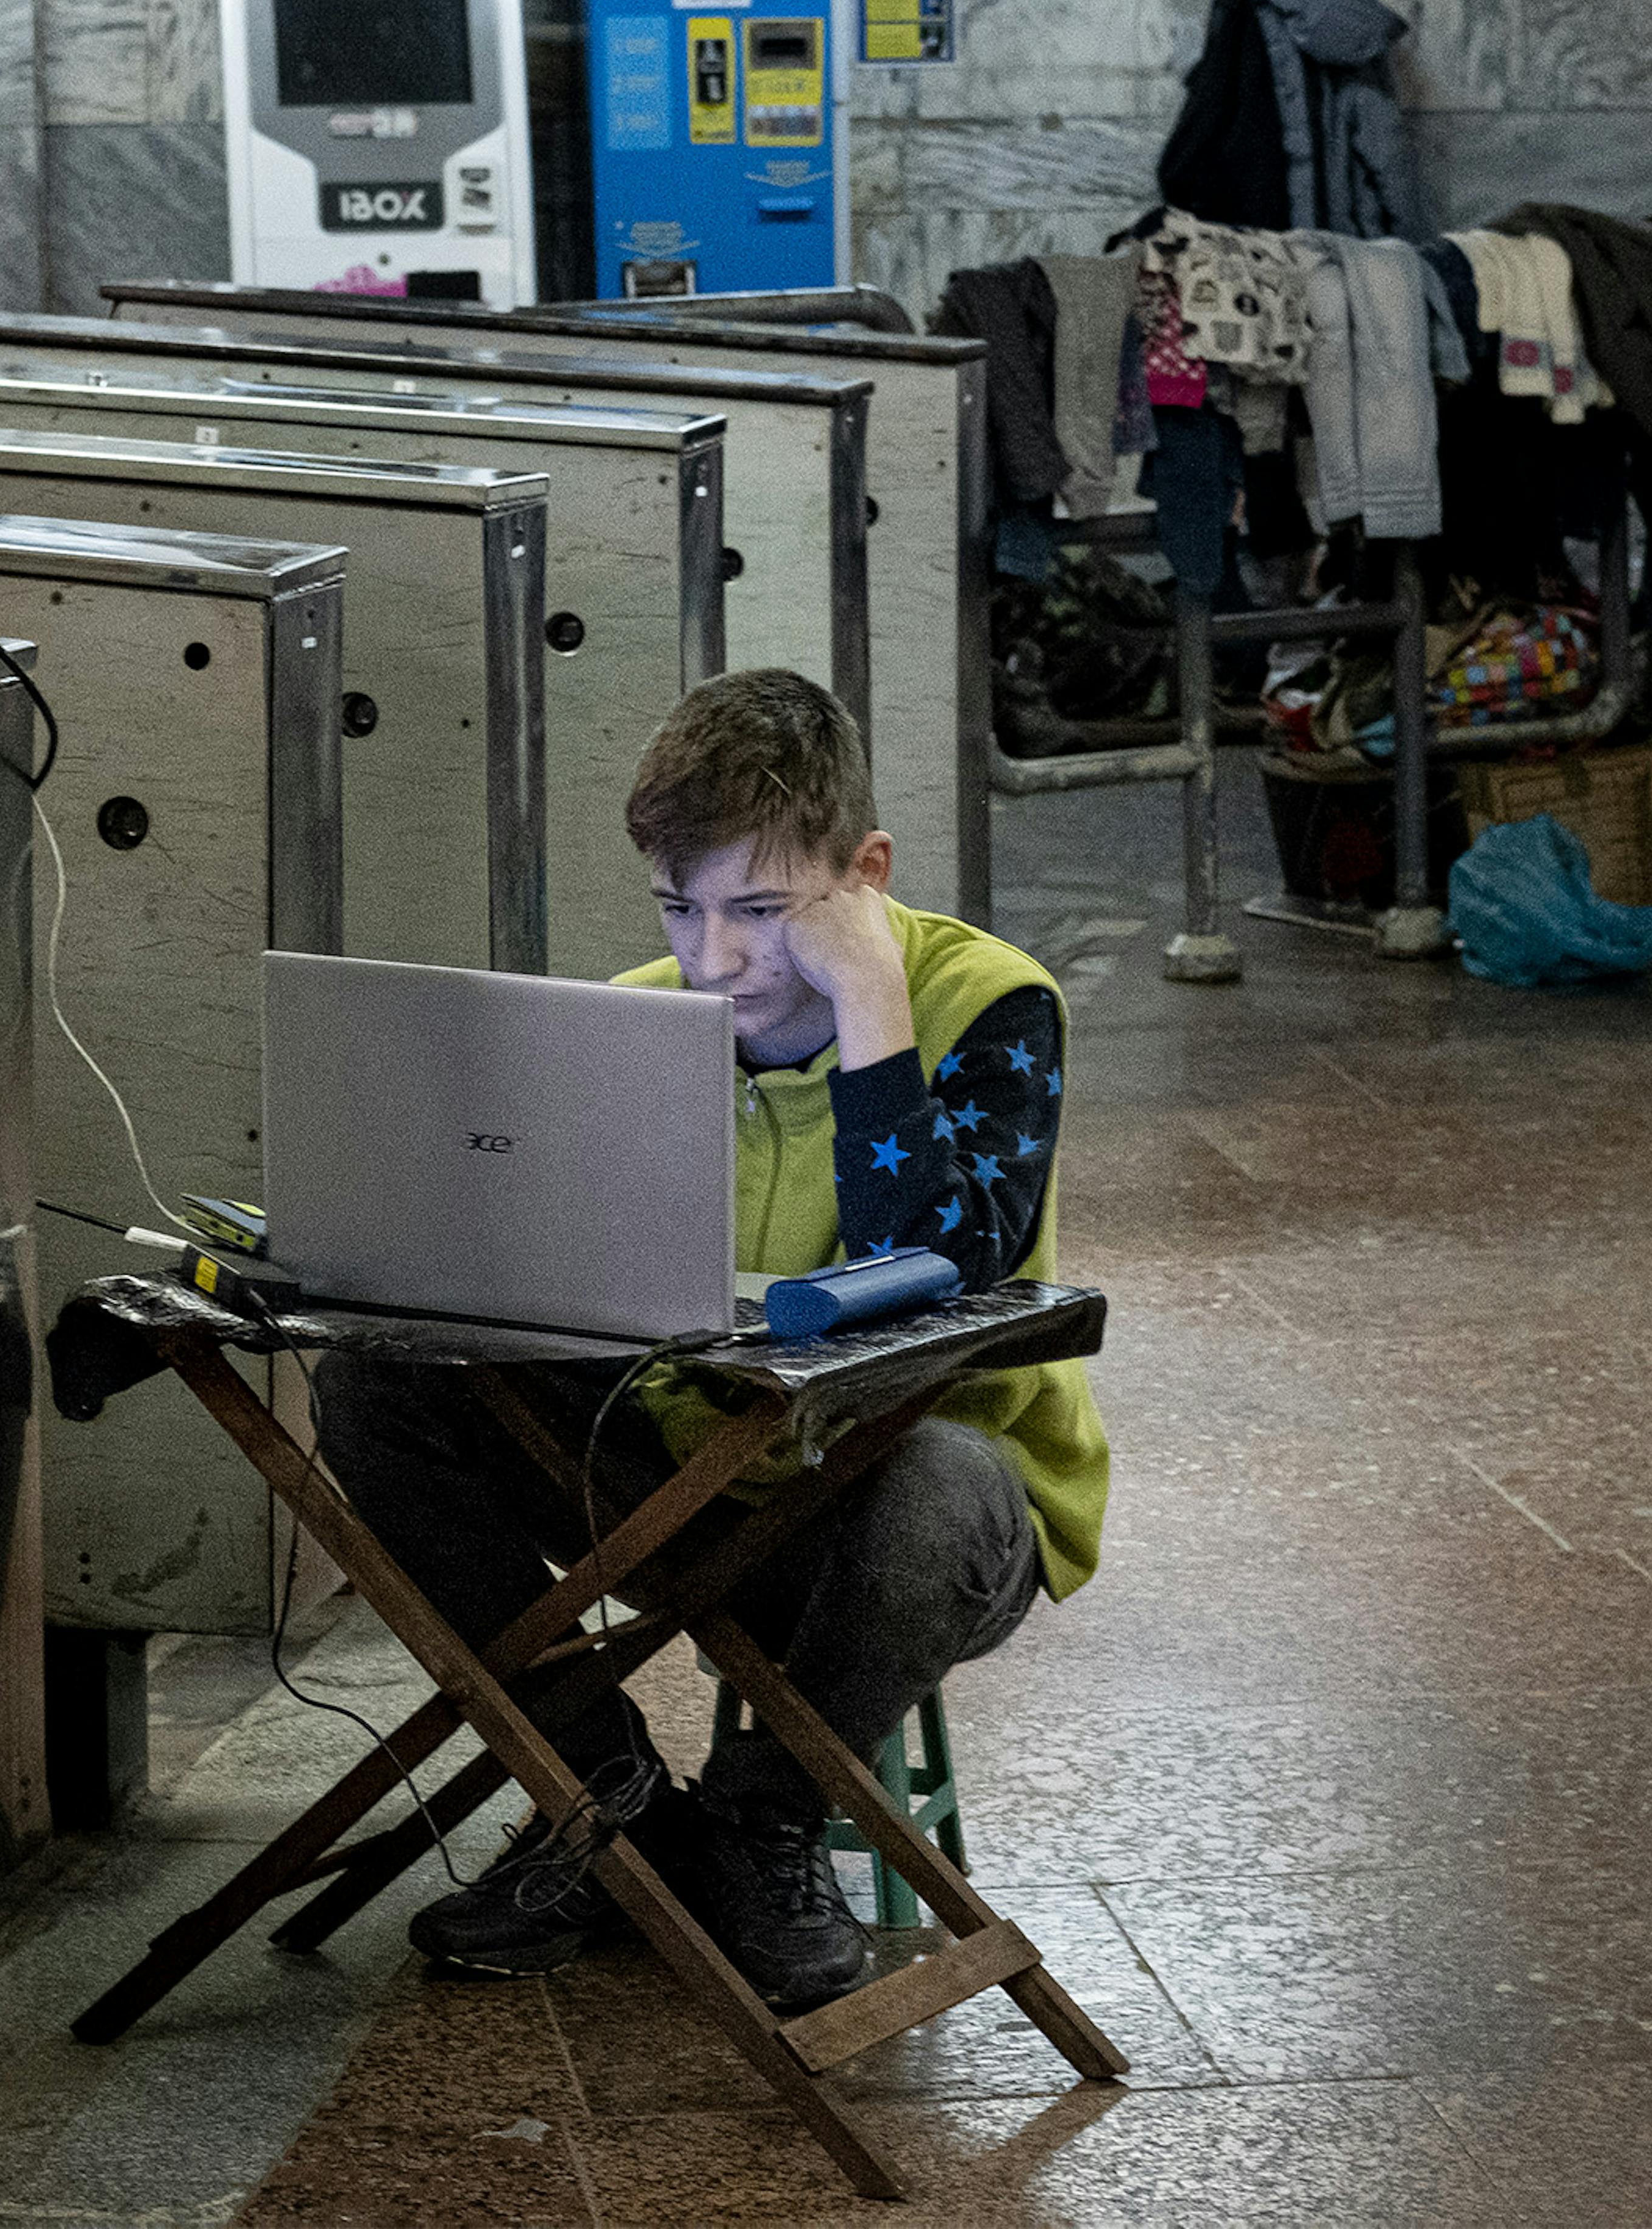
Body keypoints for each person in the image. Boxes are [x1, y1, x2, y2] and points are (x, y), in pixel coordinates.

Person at [312, 668, 1109, 2014]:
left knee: (940, 1486)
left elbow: (942, 1270)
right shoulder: (639, 1018)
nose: (712, 958)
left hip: (902, 1515)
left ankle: (760, 1825)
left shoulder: (991, 1003)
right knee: (373, 1389)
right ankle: (601, 1796)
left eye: (759, 909)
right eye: (680, 907)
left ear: (865, 875)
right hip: (682, 1474)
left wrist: (871, 1015)